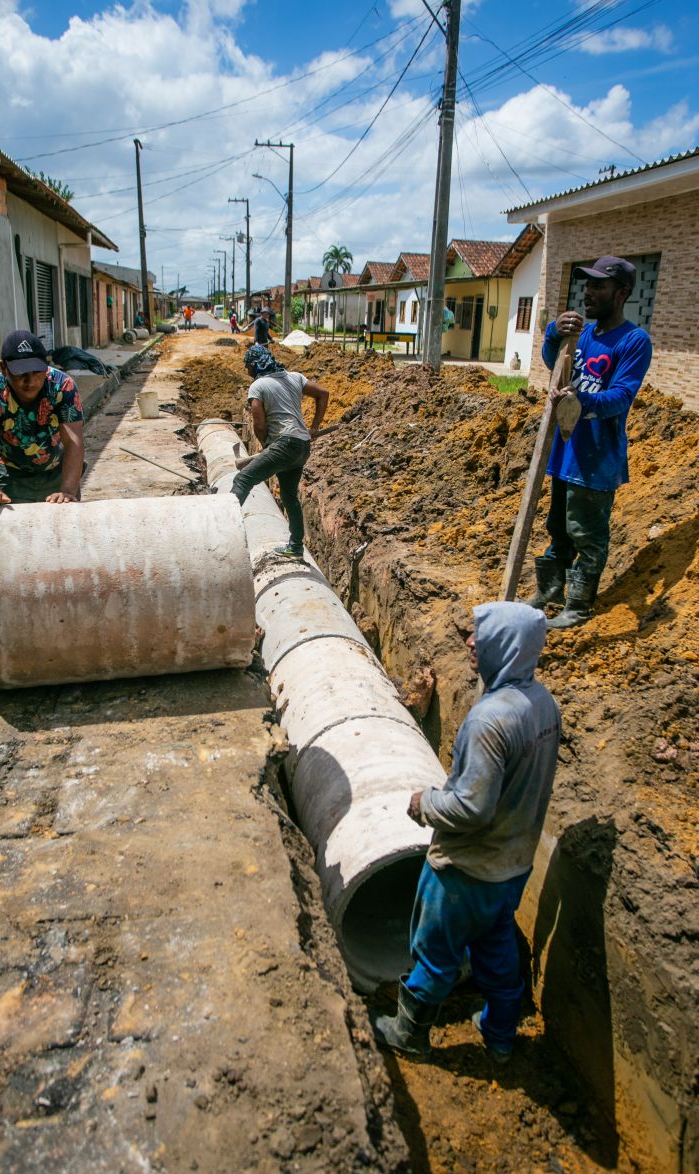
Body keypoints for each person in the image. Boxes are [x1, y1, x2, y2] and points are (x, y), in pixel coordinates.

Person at [374, 601, 561, 1065]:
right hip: (511, 867)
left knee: (434, 952)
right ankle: (499, 1035)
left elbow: (472, 808)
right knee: (496, 947)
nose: (470, 641)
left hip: (465, 870)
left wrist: (425, 804)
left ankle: (409, 1033)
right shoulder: (543, 705)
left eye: (481, 634)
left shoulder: (489, 720)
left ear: (508, 646)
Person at [528, 256, 652, 629]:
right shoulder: (581, 334)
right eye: (588, 284)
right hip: (566, 450)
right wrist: (553, 333)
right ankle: (549, 593)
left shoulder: (633, 341)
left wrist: (582, 403)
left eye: (599, 286)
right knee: (559, 528)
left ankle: (577, 606)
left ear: (622, 293)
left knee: (586, 533)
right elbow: (556, 365)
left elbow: (621, 397)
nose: (589, 291)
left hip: (597, 458)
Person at [230, 344, 328, 559]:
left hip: (284, 445)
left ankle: (225, 535)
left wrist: (267, 446)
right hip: (302, 446)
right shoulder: (295, 377)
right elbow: (323, 393)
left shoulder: (258, 385)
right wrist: (314, 428)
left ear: (254, 365)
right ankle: (295, 547)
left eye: (247, 367)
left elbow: (259, 424)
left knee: (242, 480)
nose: (247, 372)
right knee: (289, 496)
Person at [0, 330, 84, 510]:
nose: (30, 381)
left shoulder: (63, 386)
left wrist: (68, 490)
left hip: (57, 470)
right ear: (3, 367)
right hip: (10, 474)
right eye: (20, 373)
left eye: (37, 372)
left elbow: (73, 442)